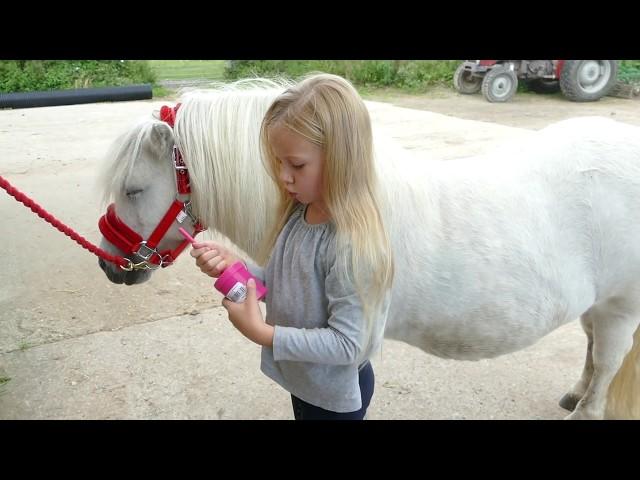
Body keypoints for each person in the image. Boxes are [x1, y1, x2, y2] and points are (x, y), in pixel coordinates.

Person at [190, 73, 394, 420]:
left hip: (333, 399)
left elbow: (347, 344)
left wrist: (262, 333)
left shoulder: (350, 244)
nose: (284, 176)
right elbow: (286, 284)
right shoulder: (300, 212)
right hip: (308, 384)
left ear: (342, 158)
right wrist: (236, 268)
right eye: (279, 163)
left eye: (296, 165)